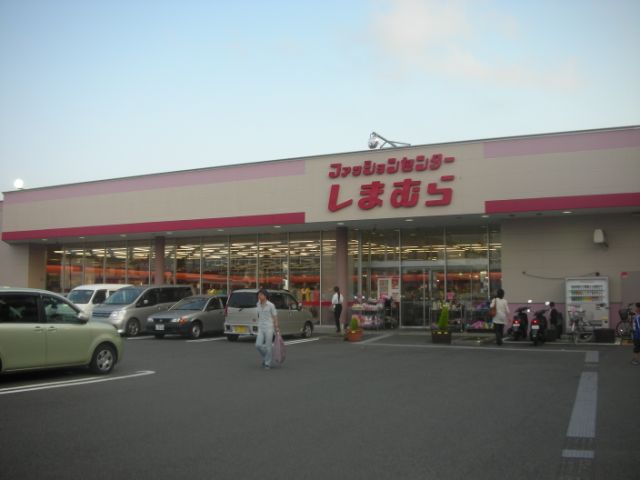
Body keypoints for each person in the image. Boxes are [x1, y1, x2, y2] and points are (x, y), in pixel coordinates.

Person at [255, 289, 280, 370]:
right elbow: (258, 315)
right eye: (258, 295)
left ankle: (267, 363)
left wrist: (276, 327)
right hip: (261, 327)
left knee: (268, 346)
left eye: (260, 295)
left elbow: (275, 316)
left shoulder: (271, 305)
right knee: (258, 345)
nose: (259, 296)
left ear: (265, 296)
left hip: (269, 327)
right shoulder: (258, 304)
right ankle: (266, 357)